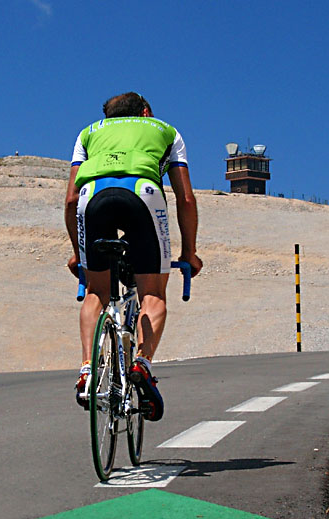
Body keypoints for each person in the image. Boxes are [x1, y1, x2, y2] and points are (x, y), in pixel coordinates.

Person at [65, 92, 202, 421]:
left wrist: (76, 253)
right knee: (153, 292)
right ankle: (142, 362)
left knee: (97, 290)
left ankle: (87, 370)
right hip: (143, 194)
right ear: (145, 112)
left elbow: (70, 199)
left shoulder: (89, 132)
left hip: (92, 197)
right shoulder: (165, 129)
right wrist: (190, 251)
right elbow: (185, 198)